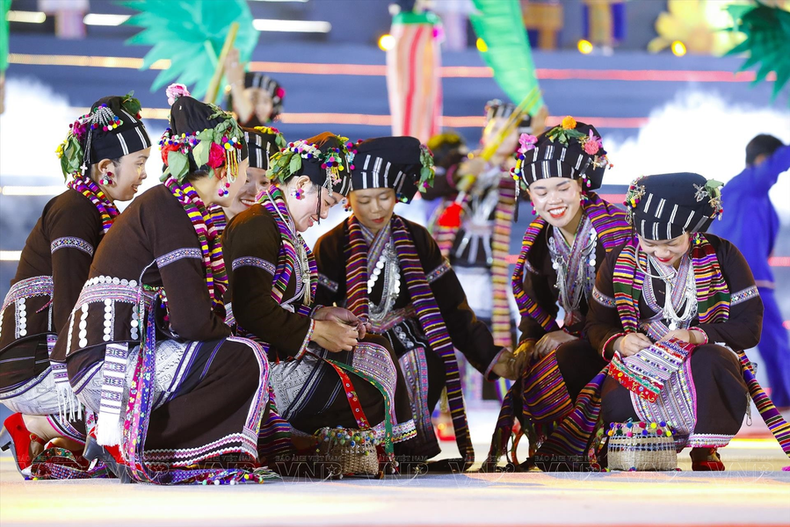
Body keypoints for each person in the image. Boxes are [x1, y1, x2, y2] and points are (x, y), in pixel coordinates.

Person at [49, 85, 271, 485]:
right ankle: (141, 448)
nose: (247, 184)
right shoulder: (169, 208)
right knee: (245, 356)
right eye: (240, 168)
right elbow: (190, 321)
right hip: (107, 361)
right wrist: (229, 330)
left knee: (239, 352)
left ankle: (139, 442)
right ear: (223, 166)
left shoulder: (176, 204)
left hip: (117, 351)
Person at [313, 136, 518, 468]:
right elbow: (318, 304)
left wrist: (491, 356)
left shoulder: (418, 237)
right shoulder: (331, 244)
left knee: (420, 359)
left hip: (410, 334)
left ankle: (411, 450)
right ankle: (368, 448)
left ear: (397, 196)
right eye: (365, 200)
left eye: (385, 197)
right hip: (354, 339)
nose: (377, 208)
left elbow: (452, 306)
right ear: (348, 199)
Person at [222, 133, 417, 474]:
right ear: (301, 184)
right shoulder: (256, 225)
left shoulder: (282, 230)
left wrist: (322, 313)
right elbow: (250, 311)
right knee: (370, 375)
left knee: (376, 349)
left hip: (277, 351)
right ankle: (299, 435)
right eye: (326, 201)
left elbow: (279, 306)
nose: (325, 215)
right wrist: (316, 331)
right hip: (253, 366)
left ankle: (394, 451)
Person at [0, 94, 151, 476]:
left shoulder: (93, 210)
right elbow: (71, 303)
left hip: (49, 360)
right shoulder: (74, 210)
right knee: (142, 397)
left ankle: (54, 435)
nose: (145, 174)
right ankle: (35, 423)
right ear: (106, 167)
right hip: (34, 367)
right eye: (140, 163)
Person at [485, 117, 631, 468]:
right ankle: (555, 443)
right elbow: (535, 306)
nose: (553, 200)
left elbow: (628, 308)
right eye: (541, 191)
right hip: (578, 336)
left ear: (581, 184)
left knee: (564, 359)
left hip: (623, 337)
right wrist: (530, 341)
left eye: (562, 187)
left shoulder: (615, 229)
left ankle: (591, 443)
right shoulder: (539, 238)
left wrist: (570, 335)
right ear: (529, 195)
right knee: (531, 361)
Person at [587, 173, 759, 470]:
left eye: (672, 243)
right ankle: (639, 447)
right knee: (615, 400)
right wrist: (620, 341)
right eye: (650, 244)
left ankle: (705, 449)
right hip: (642, 360)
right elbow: (595, 324)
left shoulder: (723, 255)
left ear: (690, 231)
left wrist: (694, 336)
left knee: (711, 362)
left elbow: (749, 327)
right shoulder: (618, 260)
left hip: (700, 356)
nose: (662, 253)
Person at [426, 100, 545, 402]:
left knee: (491, 331)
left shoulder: (517, 174)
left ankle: (496, 404)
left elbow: (528, 187)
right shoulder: (461, 161)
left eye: (510, 132)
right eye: (496, 129)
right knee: (443, 328)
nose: (501, 137)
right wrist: (461, 173)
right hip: (451, 266)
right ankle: (444, 409)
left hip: (488, 272)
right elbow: (428, 186)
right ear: (485, 131)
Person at [711, 135, 790, 412]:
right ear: (761, 161)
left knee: (773, 345)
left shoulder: (751, 195)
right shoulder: (747, 185)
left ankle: (784, 398)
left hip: (740, 282)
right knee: (776, 344)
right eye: (777, 169)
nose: (778, 176)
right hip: (748, 283)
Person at [224, 48, 285, 128]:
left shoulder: (268, 138)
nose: (259, 106)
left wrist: (236, 84)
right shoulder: (220, 131)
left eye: (266, 101)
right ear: (234, 103)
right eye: (253, 98)